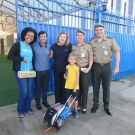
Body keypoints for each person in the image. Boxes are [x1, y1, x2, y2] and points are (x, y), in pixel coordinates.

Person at [90, 23, 120, 116]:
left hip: (107, 66)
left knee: (106, 88)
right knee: (95, 87)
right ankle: (95, 105)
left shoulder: (110, 40)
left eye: (100, 30)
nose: (99, 31)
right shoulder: (91, 42)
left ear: (104, 30)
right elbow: (89, 54)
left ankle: (106, 106)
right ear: (94, 31)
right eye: (97, 30)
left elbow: (117, 52)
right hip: (96, 66)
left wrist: (117, 66)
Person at [7, 27, 37, 118]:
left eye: (32, 36)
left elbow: (32, 60)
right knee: (24, 91)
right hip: (20, 72)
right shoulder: (17, 45)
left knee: (29, 92)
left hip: (30, 72)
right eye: (28, 35)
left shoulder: (31, 47)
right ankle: (20, 110)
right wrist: (21, 59)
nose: (30, 37)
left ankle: (28, 108)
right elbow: (9, 56)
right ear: (24, 35)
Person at [72, 28, 93, 114]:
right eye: (78, 35)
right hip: (76, 69)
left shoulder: (88, 46)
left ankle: (84, 106)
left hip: (85, 69)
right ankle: (78, 105)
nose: (79, 37)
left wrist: (89, 68)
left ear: (84, 36)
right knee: (77, 88)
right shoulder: (73, 46)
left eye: (81, 35)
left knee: (84, 89)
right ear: (76, 36)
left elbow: (91, 58)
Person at [50, 31, 72, 104]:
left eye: (64, 37)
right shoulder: (53, 46)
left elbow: (73, 57)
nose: (62, 38)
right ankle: (57, 102)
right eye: (61, 36)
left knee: (64, 87)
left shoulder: (69, 46)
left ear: (66, 39)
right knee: (58, 87)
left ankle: (63, 102)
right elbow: (51, 56)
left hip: (66, 70)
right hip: (56, 69)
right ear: (58, 37)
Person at [32, 31, 50, 110]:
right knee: (38, 88)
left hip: (46, 71)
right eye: (41, 36)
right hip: (37, 71)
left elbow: (52, 55)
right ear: (39, 37)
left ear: (46, 37)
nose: (43, 38)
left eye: (45, 36)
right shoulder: (34, 46)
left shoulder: (49, 47)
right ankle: (38, 102)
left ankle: (44, 101)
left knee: (45, 87)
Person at [64, 53, 79, 118]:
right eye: (70, 59)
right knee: (69, 98)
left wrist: (75, 87)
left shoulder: (76, 67)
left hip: (75, 86)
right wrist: (64, 76)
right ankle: (69, 109)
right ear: (68, 60)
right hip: (68, 85)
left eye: (73, 59)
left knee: (75, 99)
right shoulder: (67, 66)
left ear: (75, 60)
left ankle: (75, 110)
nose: (72, 60)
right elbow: (66, 74)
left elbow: (77, 78)